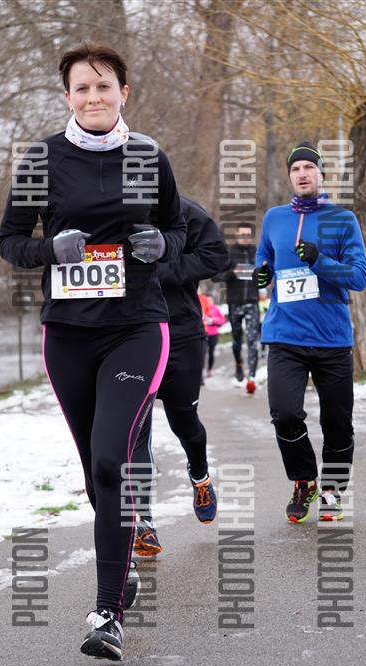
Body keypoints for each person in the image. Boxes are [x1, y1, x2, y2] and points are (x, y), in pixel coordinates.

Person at [0, 43, 186, 661]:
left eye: (104, 86)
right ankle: (122, 562)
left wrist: (162, 245)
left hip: (136, 326)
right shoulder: (42, 158)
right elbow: (9, 241)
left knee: (111, 462)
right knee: (94, 471)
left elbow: (180, 228)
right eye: (82, 87)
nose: (93, 97)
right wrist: (49, 250)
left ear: (123, 93)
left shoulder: (148, 156)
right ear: (68, 97)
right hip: (68, 335)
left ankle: (107, 614)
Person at [253, 141, 366, 524]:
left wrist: (320, 261)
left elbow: (359, 278)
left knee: (337, 423)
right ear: (289, 176)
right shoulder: (274, 218)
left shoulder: (343, 219)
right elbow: (264, 256)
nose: (302, 174)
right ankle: (304, 481)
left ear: (321, 173)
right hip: (285, 335)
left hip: (332, 337)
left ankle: (333, 491)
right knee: (285, 414)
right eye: (295, 169)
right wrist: (262, 272)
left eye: (308, 167)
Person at [133, 196, 229, 557]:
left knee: (184, 421)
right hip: (131, 335)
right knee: (135, 430)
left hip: (181, 334)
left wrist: (159, 270)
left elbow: (216, 256)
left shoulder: (182, 211)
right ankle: (143, 523)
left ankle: (200, 476)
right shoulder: (106, 209)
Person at [213, 223, 260, 394]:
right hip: (235, 303)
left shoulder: (256, 252)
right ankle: (239, 364)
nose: (245, 238)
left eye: (248, 235)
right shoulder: (229, 253)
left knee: (252, 339)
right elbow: (215, 277)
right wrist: (232, 273)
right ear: (236, 235)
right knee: (237, 339)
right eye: (242, 235)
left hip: (252, 301)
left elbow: (264, 271)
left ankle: (252, 376)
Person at [202, 295, 226, 377]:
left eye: (210, 300)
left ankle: (209, 370)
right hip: (204, 334)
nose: (209, 302)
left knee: (211, 352)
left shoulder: (216, 309)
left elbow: (222, 320)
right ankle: (202, 370)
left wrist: (213, 320)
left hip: (213, 334)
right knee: (203, 352)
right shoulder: (202, 308)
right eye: (207, 300)